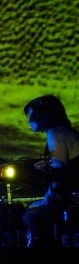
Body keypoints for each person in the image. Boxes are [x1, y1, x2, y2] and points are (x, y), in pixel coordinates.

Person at [22, 95, 79, 247]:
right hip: (73, 198)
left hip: (74, 202)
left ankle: (48, 263)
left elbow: (59, 173)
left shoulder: (54, 133)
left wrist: (46, 200)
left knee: (31, 216)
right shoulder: (64, 131)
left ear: (44, 114)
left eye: (32, 115)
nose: (28, 121)